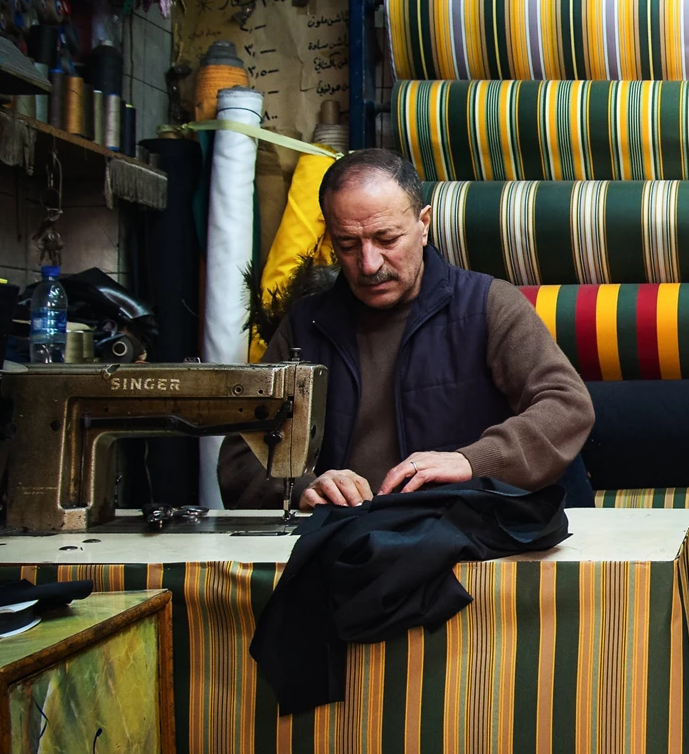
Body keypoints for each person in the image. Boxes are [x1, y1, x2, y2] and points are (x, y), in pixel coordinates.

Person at [217, 148, 594, 510]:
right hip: (349, 541)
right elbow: (241, 454)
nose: (368, 263)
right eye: (348, 244)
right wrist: (303, 487)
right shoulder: (305, 325)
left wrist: (471, 462)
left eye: (387, 239)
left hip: (468, 533)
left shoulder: (487, 304)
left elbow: (566, 405)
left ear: (423, 224)